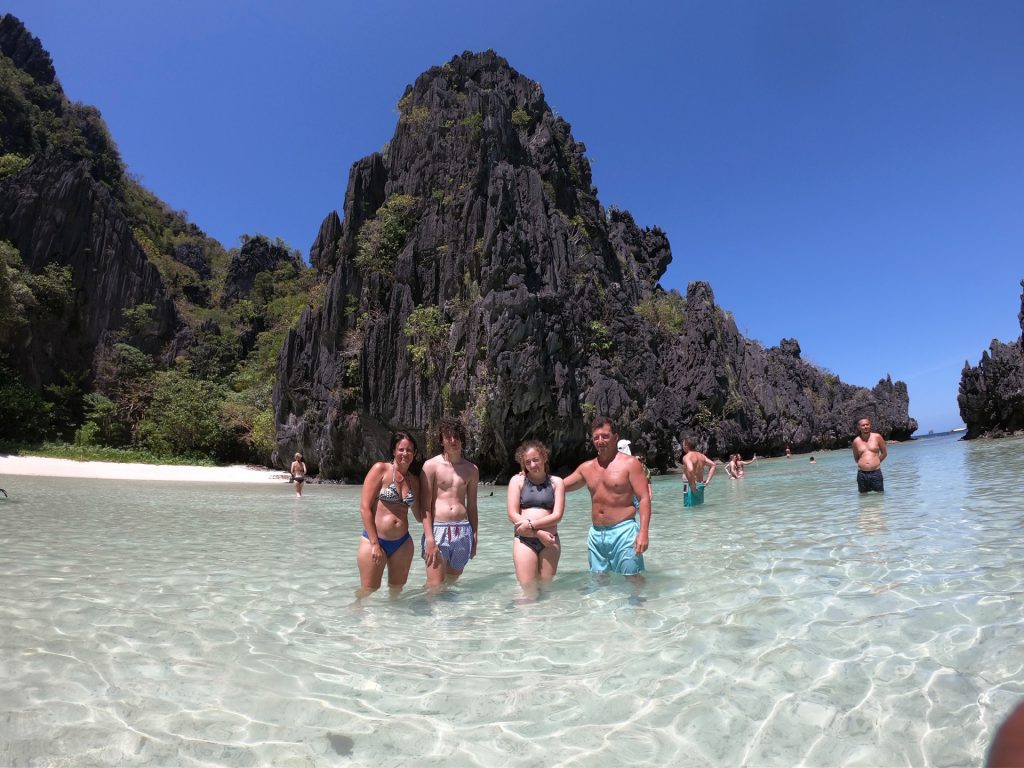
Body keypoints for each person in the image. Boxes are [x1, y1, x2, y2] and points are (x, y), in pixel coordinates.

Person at [564, 417, 651, 580]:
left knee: (633, 578)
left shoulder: (630, 464)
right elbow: (559, 486)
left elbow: (644, 498)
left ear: (615, 436)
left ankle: (641, 606)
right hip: (596, 535)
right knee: (598, 581)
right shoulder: (586, 468)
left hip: (624, 532)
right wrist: (529, 477)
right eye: (596, 437)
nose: (600, 441)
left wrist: (644, 533)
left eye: (605, 436)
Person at [356, 432, 425, 596]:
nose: (405, 453)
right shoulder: (380, 469)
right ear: (393, 451)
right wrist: (374, 544)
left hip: (403, 543)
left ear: (414, 454)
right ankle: (356, 621)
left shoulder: (414, 481)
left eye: (409, 450)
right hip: (374, 541)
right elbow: (364, 508)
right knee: (367, 592)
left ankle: (393, 622)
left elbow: (419, 515)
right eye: (401, 449)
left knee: (396, 592)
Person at [421, 416, 479, 587]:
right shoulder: (431, 466)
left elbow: (473, 506)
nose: (453, 440)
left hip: (462, 531)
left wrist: (475, 535)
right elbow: (425, 506)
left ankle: (450, 614)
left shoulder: (471, 469)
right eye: (448, 437)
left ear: (462, 439)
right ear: (441, 440)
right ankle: (428, 611)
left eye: (457, 436)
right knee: (435, 585)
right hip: (438, 530)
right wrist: (430, 539)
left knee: (452, 583)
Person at [506, 440, 565, 592]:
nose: (532, 465)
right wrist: (538, 533)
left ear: (544, 457)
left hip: (550, 541)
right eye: (528, 462)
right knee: (527, 590)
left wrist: (532, 525)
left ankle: (546, 616)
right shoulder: (517, 481)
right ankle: (527, 616)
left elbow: (557, 515)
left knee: (546, 589)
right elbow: (512, 514)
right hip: (525, 541)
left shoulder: (556, 482)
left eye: (536, 459)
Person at [852, 416, 887, 493]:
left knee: (879, 497)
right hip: (862, 475)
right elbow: (856, 458)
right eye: (863, 425)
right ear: (859, 427)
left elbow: (884, 453)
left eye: (867, 424)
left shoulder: (877, 437)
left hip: (876, 473)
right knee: (863, 498)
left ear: (870, 425)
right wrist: (864, 464)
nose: (865, 427)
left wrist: (876, 462)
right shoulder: (856, 441)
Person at [679, 437, 717, 507]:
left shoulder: (687, 457)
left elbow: (690, 469)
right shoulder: (701, 456)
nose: (682, 446)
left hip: (689, 485)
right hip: (700, 485)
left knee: (688, 508)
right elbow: (713, 465)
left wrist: (692, 485)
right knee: (699, 507)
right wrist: (707, 480)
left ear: (686, 445)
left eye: (683, 444)